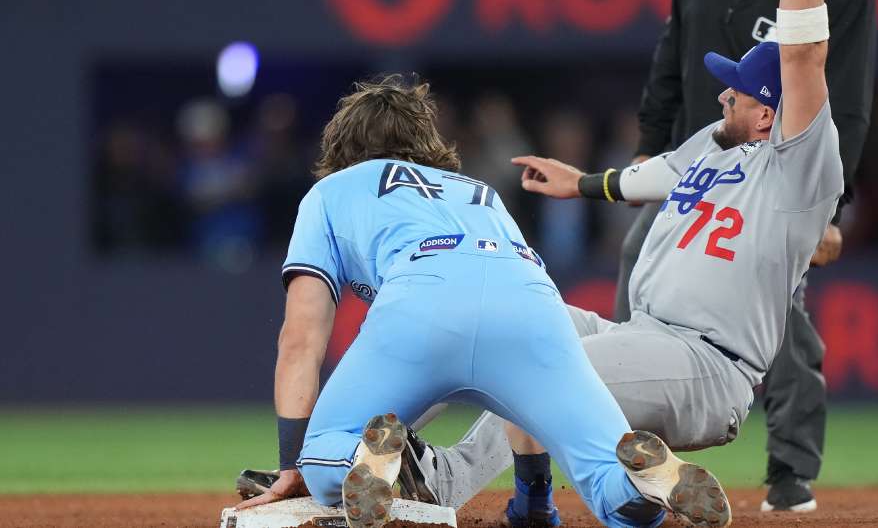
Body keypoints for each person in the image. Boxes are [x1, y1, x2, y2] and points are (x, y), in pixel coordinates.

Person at [405, 0, 843, 523]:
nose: (724, 96)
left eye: (740, 93)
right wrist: (582, 182)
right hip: (643, 337)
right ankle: (376, 464)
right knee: (496, 316)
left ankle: (442, 482)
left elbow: (805, 53)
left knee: (543, 366)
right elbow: (656, 175)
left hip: (707, 364)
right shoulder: (716, 147)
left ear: (772, 114)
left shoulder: (796, 169)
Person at [233, 75, 731, 528]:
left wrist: (289, 464)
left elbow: (301, 337)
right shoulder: (479, 192)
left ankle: (365, 459)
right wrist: (534, 502)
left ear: (339, 147)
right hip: (534, 307)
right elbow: (498, 302)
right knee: (608, 478)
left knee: (322, 459)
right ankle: (642, 485)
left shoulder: (331, 191)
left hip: (421, 305)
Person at [619, 0, 876, 511]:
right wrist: (650, 149)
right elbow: (671, 54)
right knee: (635, 259)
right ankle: (638, 442)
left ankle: (790, 472)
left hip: (776, 176)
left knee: (773, 313)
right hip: (698, 164)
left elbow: (843, 103)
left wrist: (826, 208)